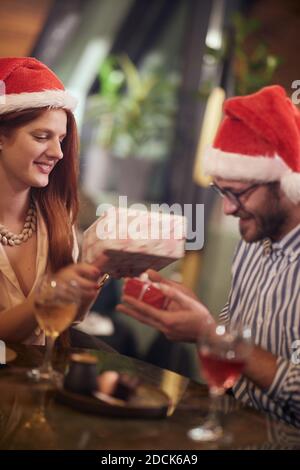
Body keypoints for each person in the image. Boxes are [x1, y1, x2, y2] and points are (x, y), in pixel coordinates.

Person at [118, 85, 300, 427]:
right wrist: (202, 319)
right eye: (221, 191)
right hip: (235, 421)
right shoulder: (252, 236)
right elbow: (235, 332)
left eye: (237, 193)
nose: (228, 208)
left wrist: (209, 333)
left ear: (286, 185)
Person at [0, 57, 107, 345]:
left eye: (61, 139)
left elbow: (68, 320)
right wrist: (49, 295)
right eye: (41, 136)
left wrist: (93, 277)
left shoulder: (57, 214)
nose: (58, 153)